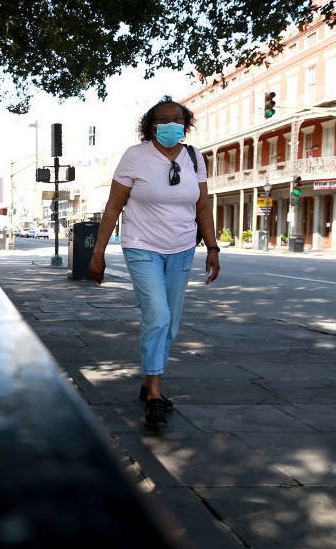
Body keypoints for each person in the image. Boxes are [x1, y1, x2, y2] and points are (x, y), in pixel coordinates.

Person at [88, 96, 220, 430]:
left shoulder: (193, 157)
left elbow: (203, 205)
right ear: (151, 126)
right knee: (158, 316)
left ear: (185, 124)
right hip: (141, 247)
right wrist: (98, 252)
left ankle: (149, 380)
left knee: (171, 322)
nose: (170, 124)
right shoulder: (135, 156)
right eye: (162, 120)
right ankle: (155, 395)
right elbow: (113, 207)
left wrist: (213, 247)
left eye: (177, 119)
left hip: (182, 249)